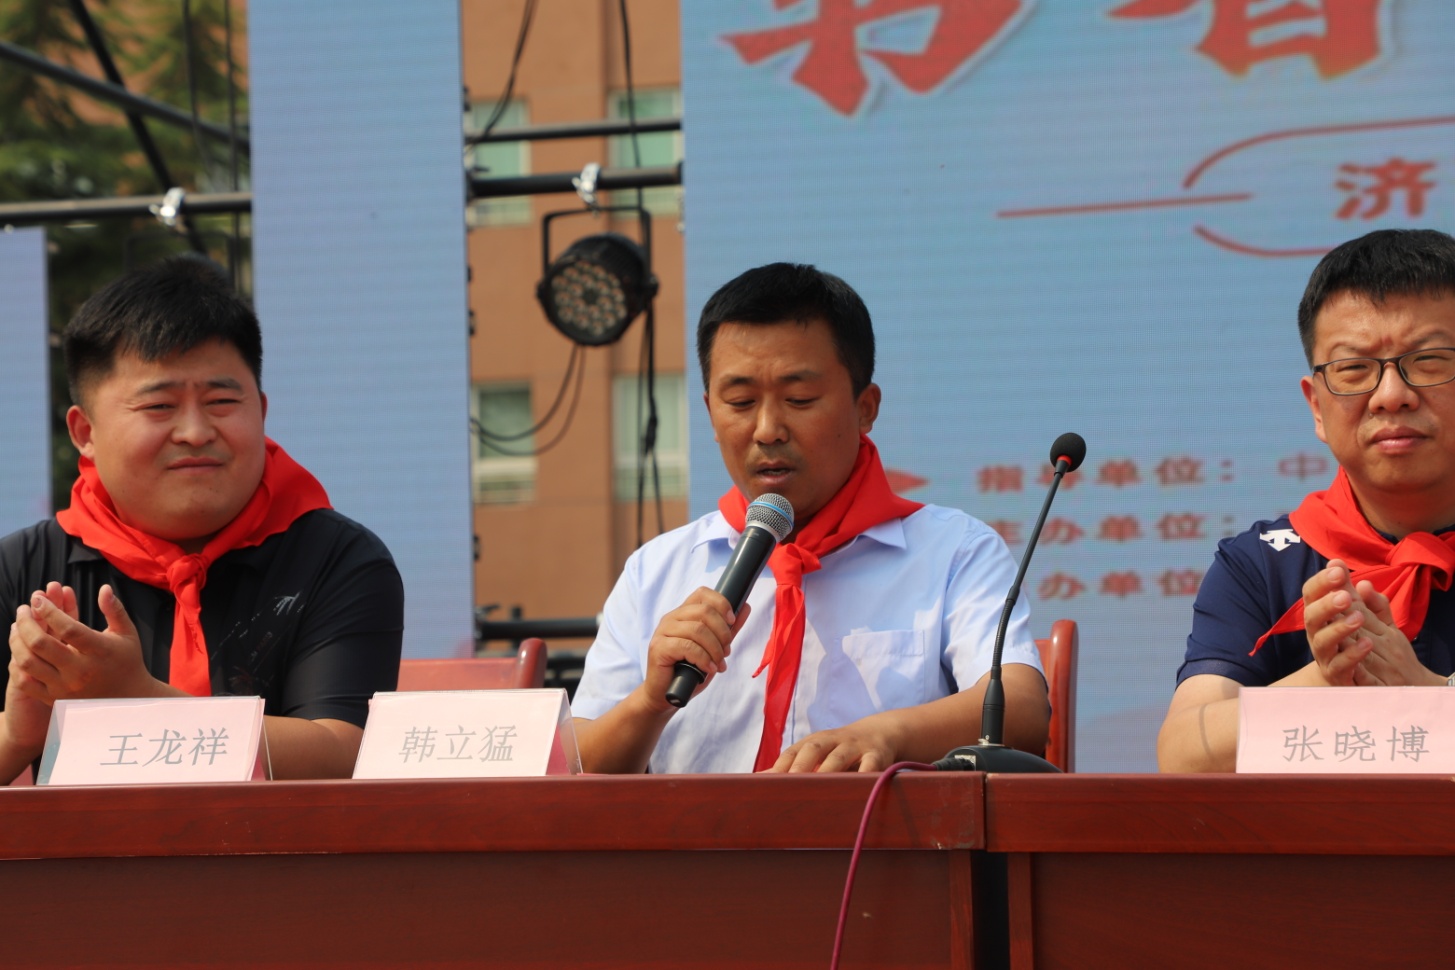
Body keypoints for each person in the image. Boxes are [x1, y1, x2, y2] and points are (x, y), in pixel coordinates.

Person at [571, 263, 1049, 774]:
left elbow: (1022, 709)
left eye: (799, 399)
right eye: (740, 402)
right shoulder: (657, 570)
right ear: (710, 412)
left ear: (865, 408)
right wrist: (649, 702)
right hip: (696, 830)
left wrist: (886, 735)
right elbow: (573, 767)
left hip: (873, 827)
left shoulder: (954, 551)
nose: (767, 430)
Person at [0, 256, 403, 783]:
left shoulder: (338, 560)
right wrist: (16, 736)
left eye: (221, 401)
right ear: (84, 432)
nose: (195, 431)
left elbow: (345, 751)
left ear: (261, 410)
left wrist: (140, 701)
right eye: (159, 407)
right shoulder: (19, 569)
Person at [1160, 228, 1455, 772]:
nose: (1392, 395)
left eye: (1430, 361)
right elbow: (1184, 755)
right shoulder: (1261, 564)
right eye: (1354, 369)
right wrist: (1327, 676)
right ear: (1317, 407)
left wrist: (1431, 698)